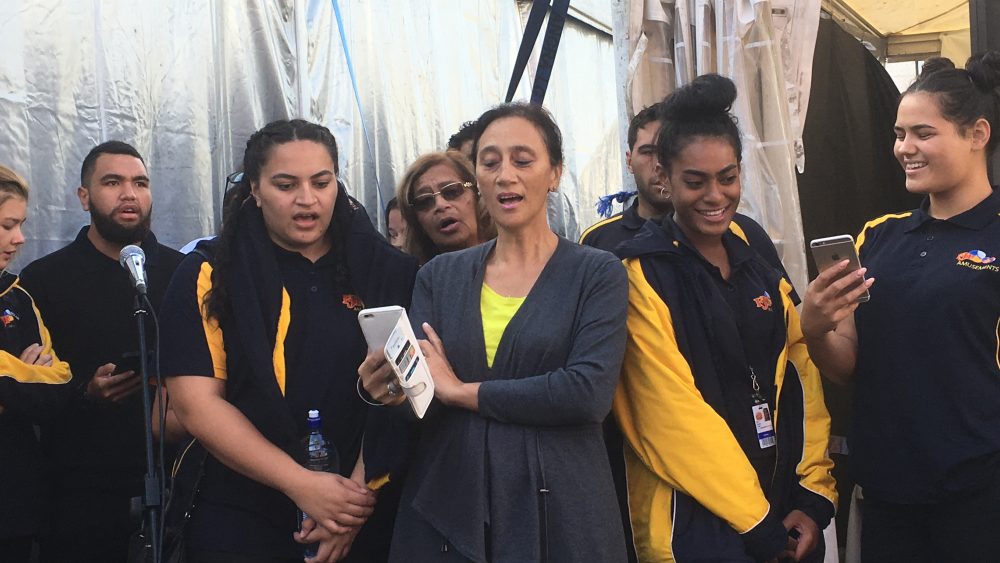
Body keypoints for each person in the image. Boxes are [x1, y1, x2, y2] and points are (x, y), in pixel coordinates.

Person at [362, 102, 630, 562]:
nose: (505, 174)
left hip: (561, 509)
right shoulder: (440, 276)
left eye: (523, 160)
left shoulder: (596, 272)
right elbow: (424, 400)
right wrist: (393, 393)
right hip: (451, 502)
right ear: (479, 179)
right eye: (490, 162)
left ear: (554, 173)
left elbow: (585, 393)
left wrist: (463, 392)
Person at [160, 118, 417, 563]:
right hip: (242, 510)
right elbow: (197, 405)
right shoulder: (209, 273)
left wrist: (348, 505)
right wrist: (301, 485)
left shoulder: (386, 270)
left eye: (322, 182)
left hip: (362, 505)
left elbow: (407, 391)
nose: (307, 199)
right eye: (285, 184)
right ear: (254, 190)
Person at [613, 74, 836, 563]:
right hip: (691, 530)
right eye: (695, 181)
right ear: (664, 179)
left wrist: (810, 495)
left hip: (781, 515)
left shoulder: (757, 261)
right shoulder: (639, 273)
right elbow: (667, 416)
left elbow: (799, 374)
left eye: (728, 178)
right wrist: (756, 522)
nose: (715, 196)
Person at [801, 54, 1000, 563]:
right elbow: (849, 364)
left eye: (923, 133)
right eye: (898, 134)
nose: (904, 149)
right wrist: (817, 327)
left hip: (979, 496)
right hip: (889, 492)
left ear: (977, 134)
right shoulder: (877, 236)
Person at [19, 141, 184, 563]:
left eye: (140, 183)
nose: (129, 193)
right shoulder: (43, 280)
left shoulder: (184, 273)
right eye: (112, 182)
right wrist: (85, 393)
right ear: (84, 197)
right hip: (80, 496)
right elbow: (26, 392)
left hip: (177, 485)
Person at [0, 166, 72, 563]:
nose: (20, 238)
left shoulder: (17, 298)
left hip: (15, 499)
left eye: (21, 224)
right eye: (7, 225)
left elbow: (58, 385)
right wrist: (24, 371)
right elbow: (37, 381)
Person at [396, 151, 495, 264]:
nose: (440, 205)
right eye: (424, 201)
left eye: (451, 192)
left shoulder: (515, 258)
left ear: (476, 193)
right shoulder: (422, 279)